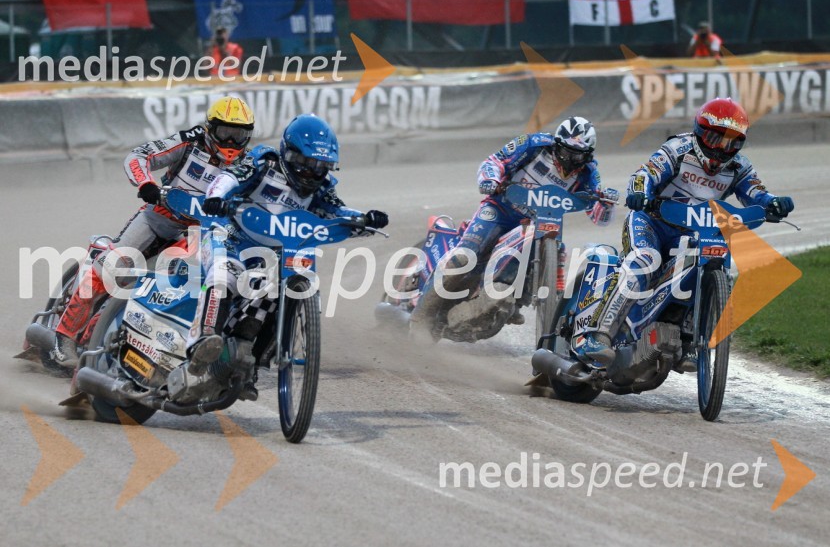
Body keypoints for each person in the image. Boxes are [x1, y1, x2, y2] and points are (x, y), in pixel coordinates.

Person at [576, 97, 795, 367]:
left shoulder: (740, 166)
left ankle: (689, 337)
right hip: (651, 221)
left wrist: (773, 203)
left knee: (711, 260)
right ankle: (598, 334)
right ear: (700, 132)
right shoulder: (678, 148)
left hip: (693, 234)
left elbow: (756, 193)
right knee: (643, 262)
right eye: (716, 139)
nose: (722, 149)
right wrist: (638, 193)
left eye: (732, 142)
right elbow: (645, 173)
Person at [52, 96, 256, 367]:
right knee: (111, 267)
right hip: (160, 217)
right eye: (225, 133)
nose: (230, 142)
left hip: (203, 233)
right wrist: (146, 184)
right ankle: (63, 338)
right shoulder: (188, 141)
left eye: (238, 135)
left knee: (193, 287)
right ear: (210, 128)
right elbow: (138, 156)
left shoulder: (251, 164)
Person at [186, 113, 389, 381]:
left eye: (320, 166)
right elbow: (229, 178)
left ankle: (249, 365)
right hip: (230, 236)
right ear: (288, 154)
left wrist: (364, 218)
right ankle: (202, 342)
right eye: (306, 163)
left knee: (278, 290)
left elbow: (337, 211)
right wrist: (215, 197)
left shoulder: (322, 187)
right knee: (224, 275)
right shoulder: (263, 163)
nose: (311, 171)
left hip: (272, 256)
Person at [409, 116, 619, 341]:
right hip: (500, 210)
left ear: (587, 155)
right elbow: (494, 161)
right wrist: (490, 179)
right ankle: (421, 317)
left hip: (542, 222)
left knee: (560, 250)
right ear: (557, 144)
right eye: (567, 151)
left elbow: (599, 216)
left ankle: (529, 300)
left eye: (578, 155)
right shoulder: (533, 144)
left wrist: (606, 203)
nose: (571, 159)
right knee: (465, 256)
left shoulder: (589, 172)